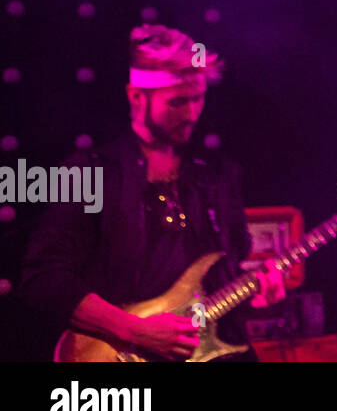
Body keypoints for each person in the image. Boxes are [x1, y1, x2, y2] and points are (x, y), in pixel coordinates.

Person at [19, 23, 286, 361]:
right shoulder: (89, 173)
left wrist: (259, 296)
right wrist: (133, 330)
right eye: (177, 102)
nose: (191, 114)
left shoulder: (220, 175)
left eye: (198, 98)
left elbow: (223, 284)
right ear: (135, 96)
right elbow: (45, 280)